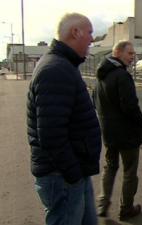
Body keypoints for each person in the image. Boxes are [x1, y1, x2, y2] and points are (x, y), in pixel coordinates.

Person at [26, 13, 101, 225]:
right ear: (75, 32)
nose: (92, 39)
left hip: (71, 172)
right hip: (63, 176)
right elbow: (51, 133)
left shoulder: (63, 65)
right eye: (90, 32)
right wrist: (73, 173)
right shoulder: (56, 70)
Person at [93, 40, 142, 221]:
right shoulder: (122, 76)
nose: (133, 57)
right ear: (118, 53)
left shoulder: (100, 74)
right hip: (127, 134)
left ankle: (103, 203)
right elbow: (130, 106)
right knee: (130, 171)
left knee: (110, 167)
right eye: (130, 54)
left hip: (108, 133)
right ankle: (126, 208)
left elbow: (95, 103)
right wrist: (141, 123)